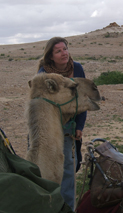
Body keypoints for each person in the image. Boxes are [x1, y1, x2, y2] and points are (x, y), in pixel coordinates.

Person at [37, 37, 87, 210]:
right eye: (58, 51)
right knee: (47, 171)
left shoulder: (77, 68)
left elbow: (83, 99)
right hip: (50, 128)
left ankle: (68, 208)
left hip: (70, 127)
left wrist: (80, 125)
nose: (64, 53)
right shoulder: (44, 74)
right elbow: (42, 107)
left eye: (65, 49)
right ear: (51, 56)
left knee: (68, 171)